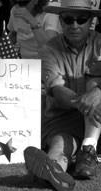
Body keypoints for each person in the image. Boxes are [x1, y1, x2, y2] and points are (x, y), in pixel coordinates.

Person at [23, 0, 101, 191]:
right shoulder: (47, 50)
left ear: (90, 21)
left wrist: (97, 93)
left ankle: (85, 152)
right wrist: (88, 102)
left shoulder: (99, 42)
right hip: (64, 117)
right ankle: (55, 172)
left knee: (96, 87)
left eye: (81, 19)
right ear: (60, 21)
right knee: (59, 144)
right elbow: (57, 91)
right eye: (68, 19)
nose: (74, 25)